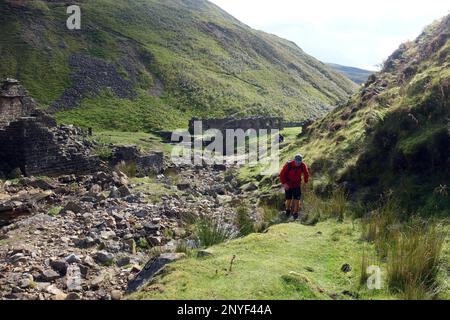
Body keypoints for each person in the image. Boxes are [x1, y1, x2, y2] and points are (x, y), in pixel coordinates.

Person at [279, 154, 310, 220]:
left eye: (299, 162)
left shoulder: (302, 165)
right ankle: (288, 210)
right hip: (288, 184)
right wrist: (284, 184)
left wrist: (306, 182)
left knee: (297, 199)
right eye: (297, 162)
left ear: (301, 161)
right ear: (294, 160)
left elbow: (306, 173)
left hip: (297, 184)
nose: (298, 163)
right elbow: (281, 174)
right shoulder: (288, 165)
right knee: (288, 199)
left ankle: (296, 213)